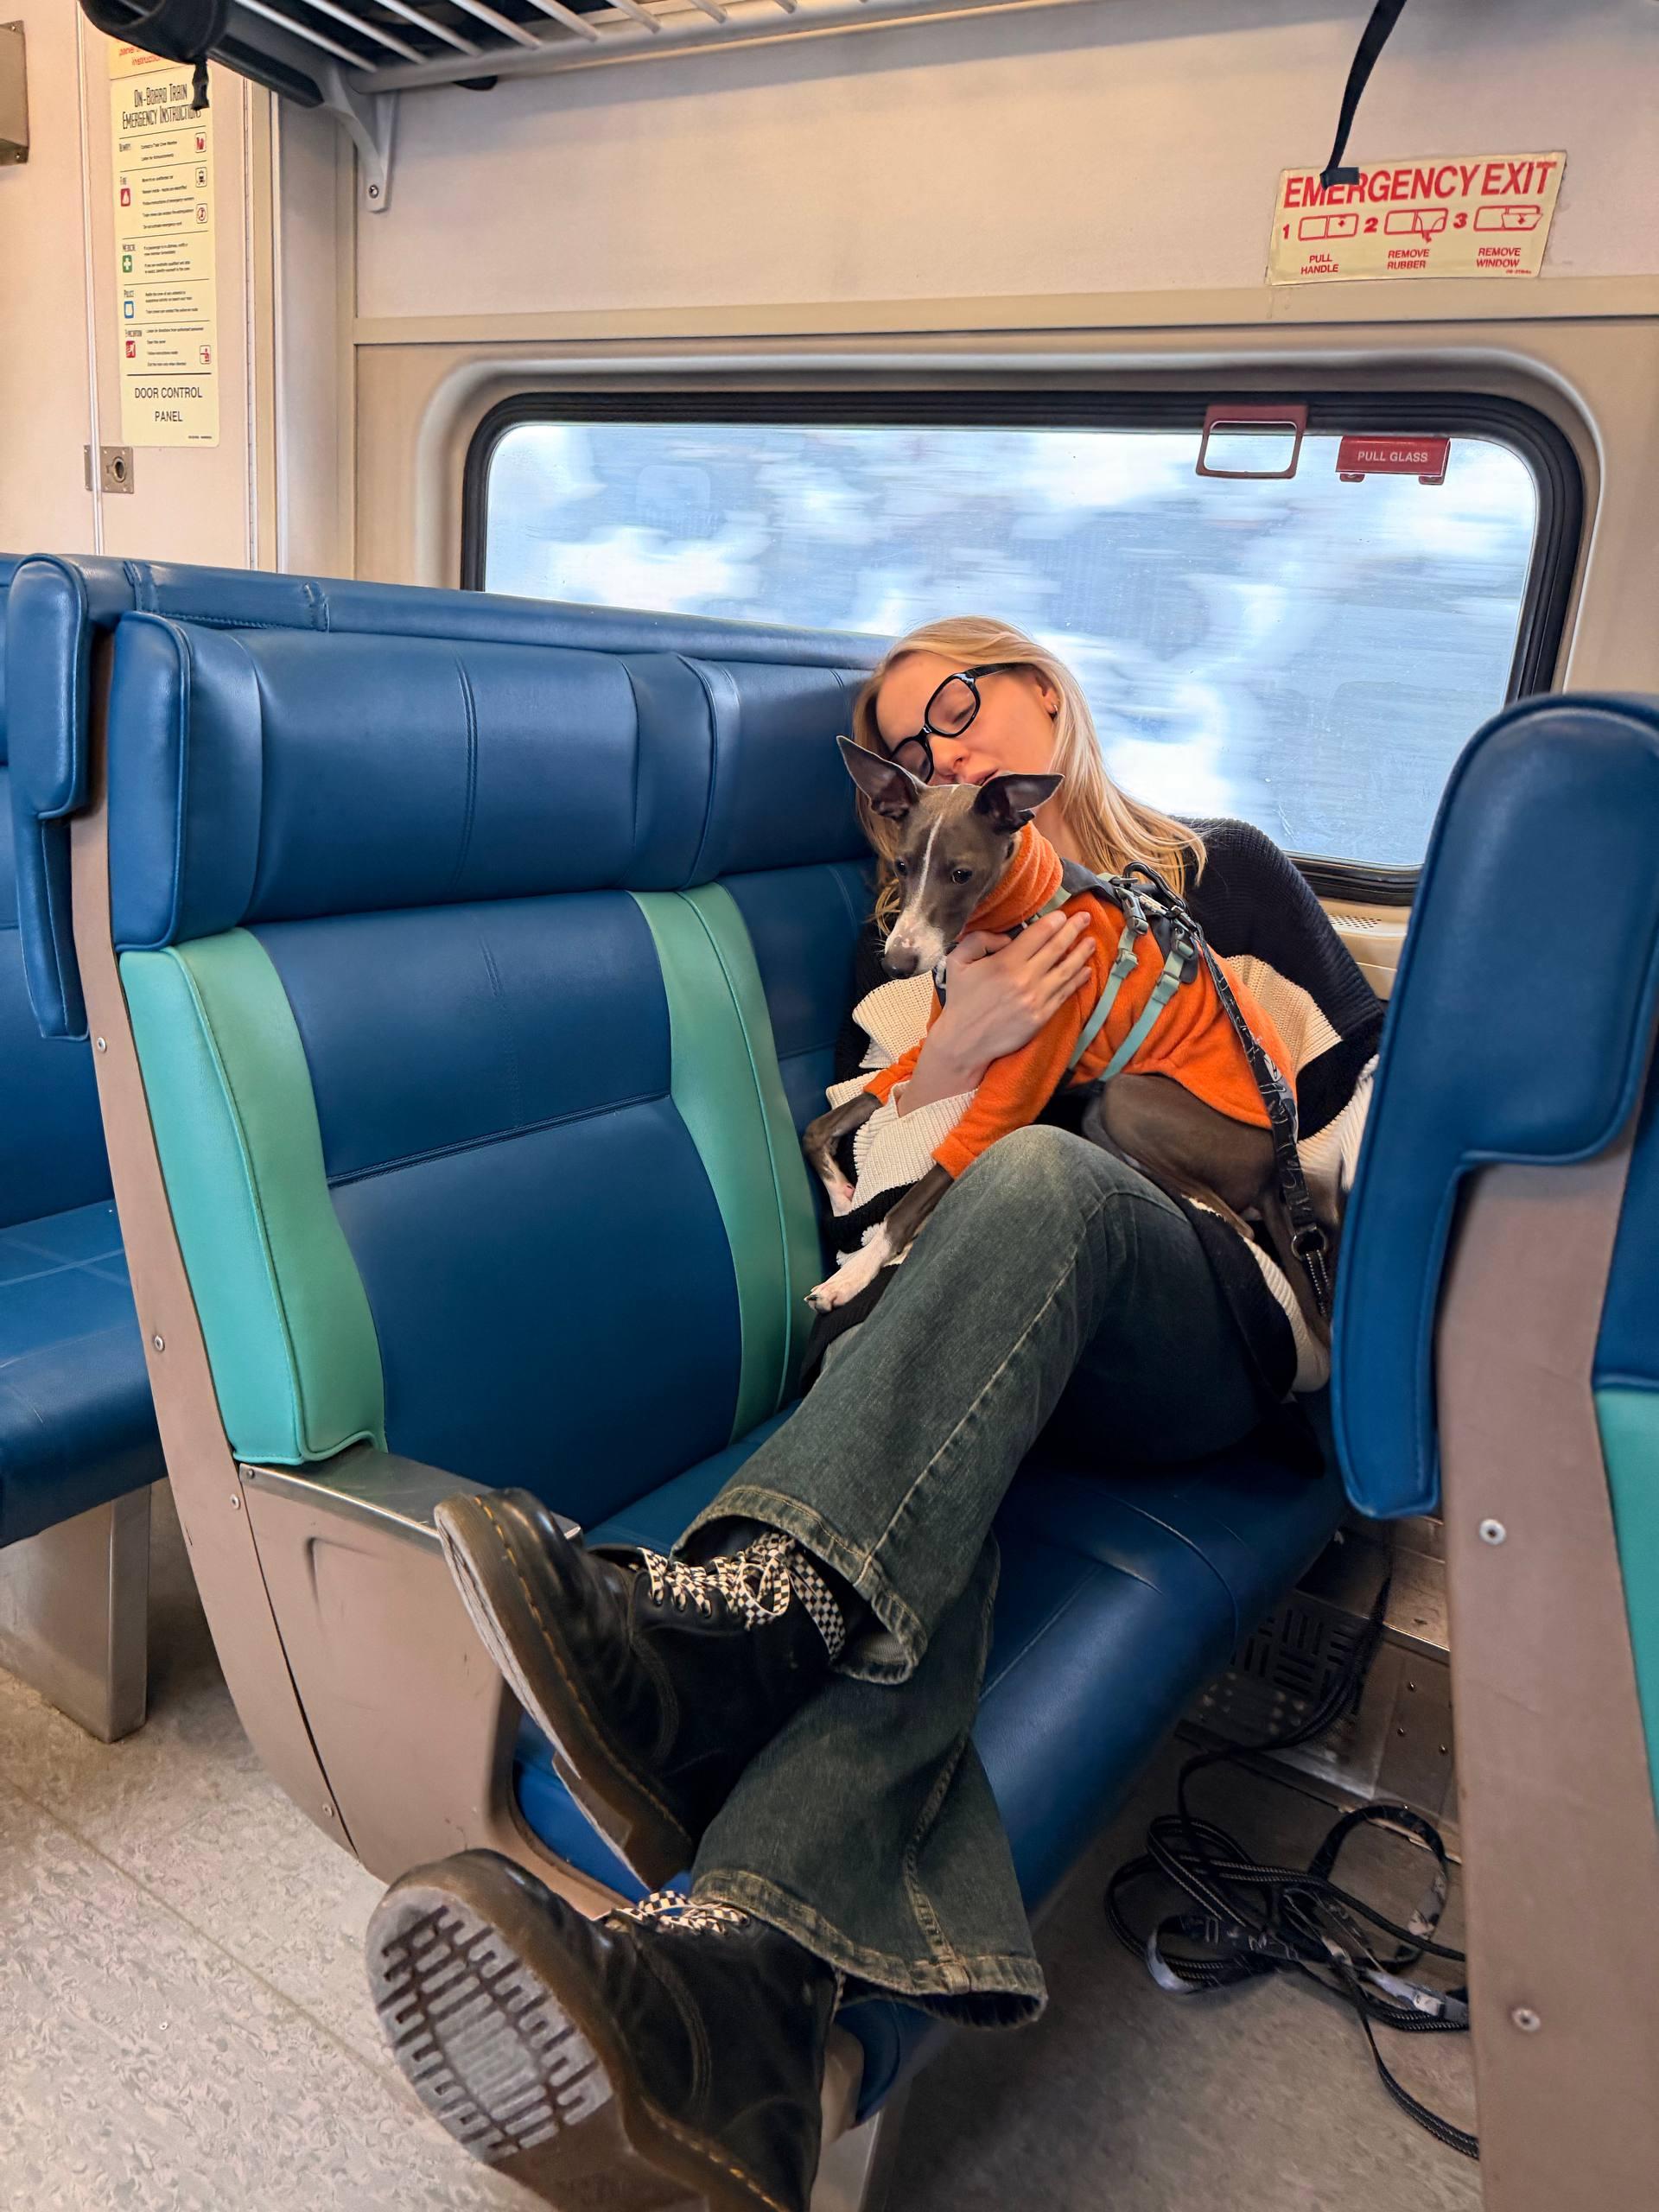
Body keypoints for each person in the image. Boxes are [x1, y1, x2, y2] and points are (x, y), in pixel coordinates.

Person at [365, 618, 1382, 2212]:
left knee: (1039, 1179)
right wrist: (950, 1053)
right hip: (985, 1357)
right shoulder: (913, 935)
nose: (939, 751)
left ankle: (729, 1637)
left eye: (959, 707)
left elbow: (1376, 1129)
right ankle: (737, 1998)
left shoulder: (1217, 873)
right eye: (905, 751)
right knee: (930, 1430)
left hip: (1209, 1320)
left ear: (1042, 695)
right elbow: (853, 1207)